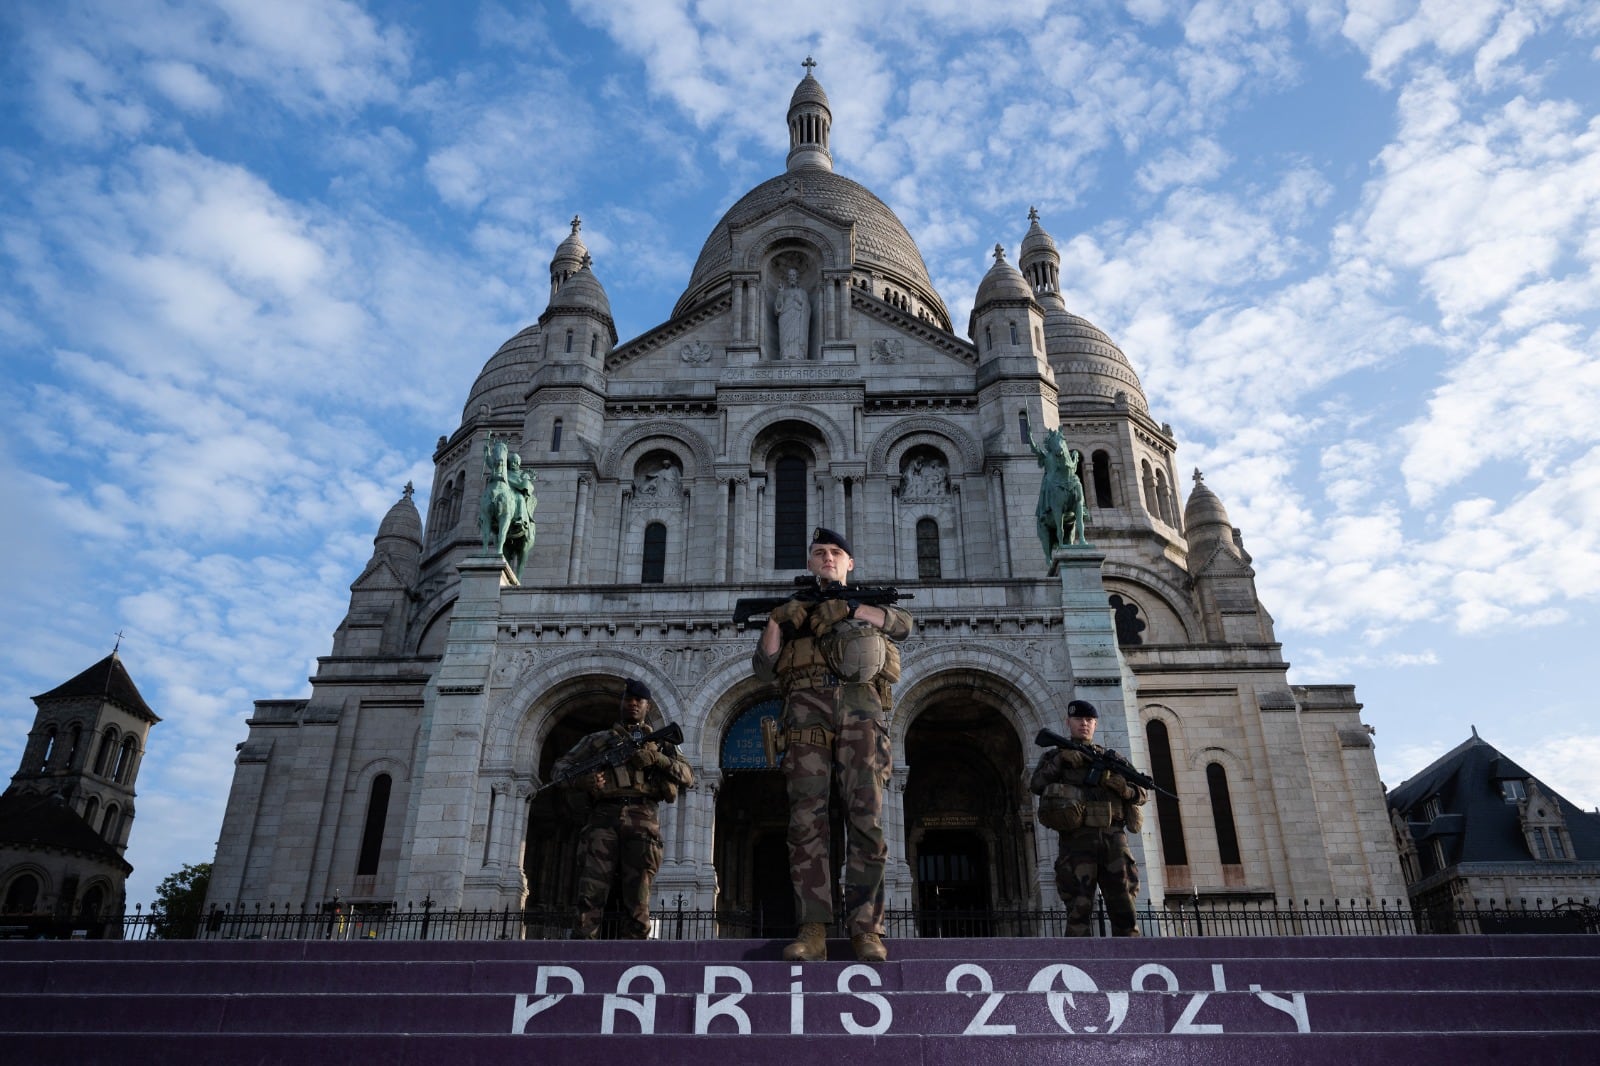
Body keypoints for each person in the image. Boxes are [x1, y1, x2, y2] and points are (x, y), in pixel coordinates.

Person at [754, 527, 913, 962]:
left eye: (836, 553)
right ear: (808, 562)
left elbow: (902, 623)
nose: (828, 558)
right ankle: (813, 929)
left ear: (849, 563)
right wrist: (775, 621)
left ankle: (866, 930)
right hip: (805, 710)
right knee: (807, 821)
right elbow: (765, 669)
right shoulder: (791, 610)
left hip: (861, 710)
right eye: (820, 553)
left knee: (868, 821)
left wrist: (851, 608)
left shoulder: (868, 603)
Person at [553, 679, 693, 939]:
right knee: (591, 889)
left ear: (646, 705)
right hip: (603, 815)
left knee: (638, 894)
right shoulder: (597, 741)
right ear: (622, 703)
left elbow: (687, 776)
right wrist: (584, 781)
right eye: (628, 700)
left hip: (643, 817)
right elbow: (560, 769)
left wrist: (657, 758)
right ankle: (583, 947)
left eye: (638, 701)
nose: (633, 704)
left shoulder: (661, 743)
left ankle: (635, 949)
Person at [1029, 699, 1147, 937]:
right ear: (1068, 722)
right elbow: (1036, 784)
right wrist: (1061, 761)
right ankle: (1078, 964)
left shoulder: (1112, 759)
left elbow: (1142, 792)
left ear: (1095, 724)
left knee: (1124, 906)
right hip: (1076, 841)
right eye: (1079, 720)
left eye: (1089, 720)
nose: (1084, 724)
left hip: (1113, 839)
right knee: (1078, 909)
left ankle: (1130, 960)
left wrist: (1124, 789)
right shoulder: (1055, 756)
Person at [774, 267, 810, 360]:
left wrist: (801, 302)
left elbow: (808, 309)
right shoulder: (784, 292)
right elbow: (777, 309)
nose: (792, 277)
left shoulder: (802, 292)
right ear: (788, 278)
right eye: (790, 275)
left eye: (794, 275)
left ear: (797, 277)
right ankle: (785, 354)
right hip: (785, 318)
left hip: (798, 317)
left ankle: (799, 354)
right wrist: (780, 294)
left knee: (797, 336)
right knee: (785, 337)